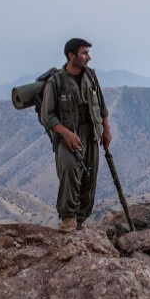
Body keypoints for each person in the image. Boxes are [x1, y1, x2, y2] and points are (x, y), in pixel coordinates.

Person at [40, 38, 113, 232]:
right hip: (68, 137)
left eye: (88, 53)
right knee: (71, 173)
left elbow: (102, 106)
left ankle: (80, 221)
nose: (89, 57)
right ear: (71, 56)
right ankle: (68, 217)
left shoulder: (91, 76)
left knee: (90, 178)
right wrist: (66, 134)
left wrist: (106, 130)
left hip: (91, 134)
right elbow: (47, 116)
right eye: (84, 53)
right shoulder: (56, 82)